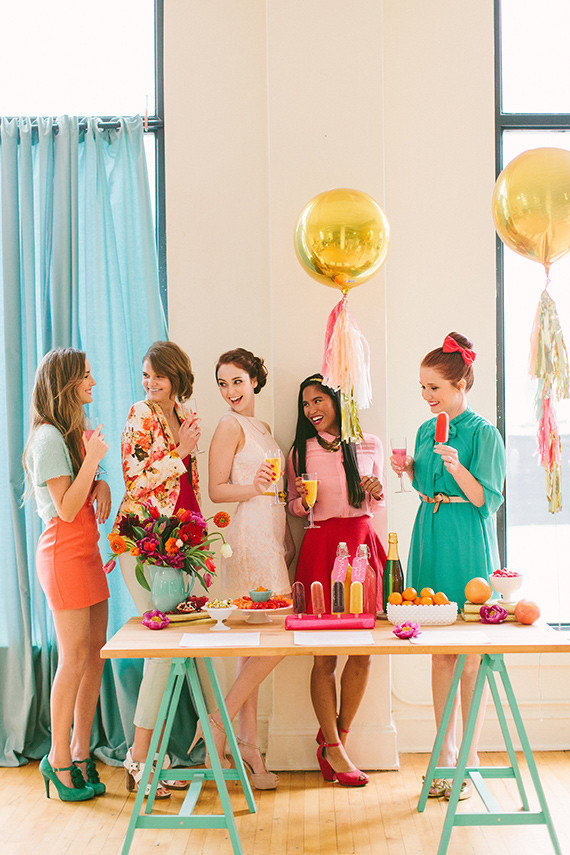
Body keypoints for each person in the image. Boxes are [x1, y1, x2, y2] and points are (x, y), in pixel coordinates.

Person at [391, 332, 506, 800]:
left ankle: (470, 759)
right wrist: (408, 472)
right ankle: (444, 754)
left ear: (461, 385)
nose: (426, 396)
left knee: (471, 654)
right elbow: (425, 486)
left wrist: (458, 467)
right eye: (422, 387)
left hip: (468, 540)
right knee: (440, 650)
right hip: (431, 533)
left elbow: (487, 501)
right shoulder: (425, 430)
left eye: (434, 388)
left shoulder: (484, 434)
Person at [286, 374, 386, 787]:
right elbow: (294, 507)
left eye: (318, 400)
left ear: (337, 400)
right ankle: (333, 745)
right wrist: (301, 501)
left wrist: (377, 489)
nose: (311, 410)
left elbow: (375, 503)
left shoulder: (370, 444)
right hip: (320, 547)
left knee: (362, 654)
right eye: (305, 404)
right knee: (323, 657)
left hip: (361, 544)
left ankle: (336, 739)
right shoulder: (300, 451)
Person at [24, 348, 110, 801]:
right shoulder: (46, 438)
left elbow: (84, 490)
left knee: (94, 657)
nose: (92, 383)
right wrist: (93, 461)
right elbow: (66, 507)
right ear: (66, 384)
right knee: (73, 658)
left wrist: (102, 481)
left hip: (87, 552)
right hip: (63, 554)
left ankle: (80, 751)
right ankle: (57, 759)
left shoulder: (70, 433)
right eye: (86, 376)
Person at [116, 340, 201, 798]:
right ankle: (140, 758)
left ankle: (150, 756)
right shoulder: (141, 414)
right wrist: (181, 451)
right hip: (142, 541)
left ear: (177, 377)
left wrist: (198, 537)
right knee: (161, 648)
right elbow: (135, 480)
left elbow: (189, 486)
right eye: (146, 375)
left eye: (159, 376)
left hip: (177, 542)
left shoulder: (183, 416)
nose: (150, 383)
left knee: (172, 652)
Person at [206, 347, 292, 789]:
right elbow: (216, 491)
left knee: (254, 644)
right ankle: (216, 724)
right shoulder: (228, 425)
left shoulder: (263, 429)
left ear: (255, 380)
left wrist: (287, 533)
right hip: (249, 538)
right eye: (223, 384)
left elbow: (272, 490)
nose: (230, 391)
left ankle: (249, 747)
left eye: (237, 381)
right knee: (277, 637)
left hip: (270, 534)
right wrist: (254, 487)